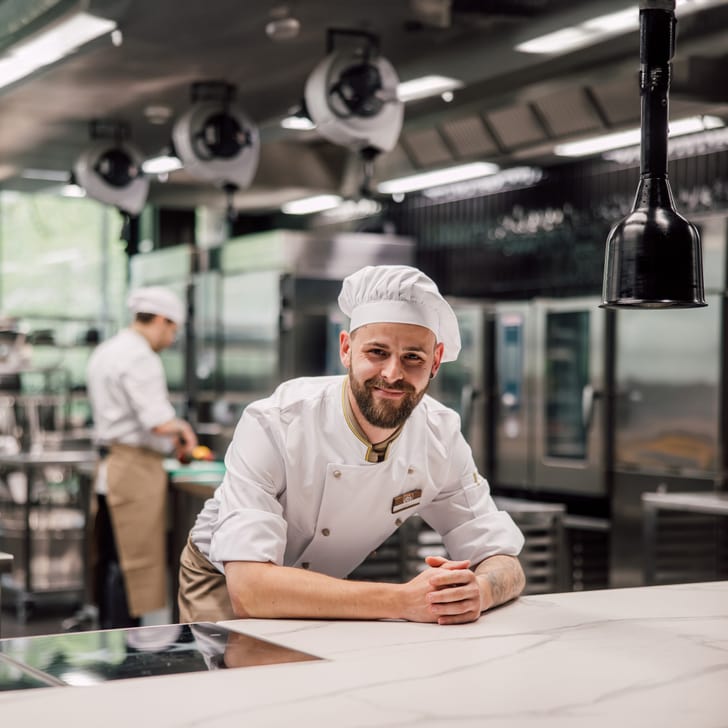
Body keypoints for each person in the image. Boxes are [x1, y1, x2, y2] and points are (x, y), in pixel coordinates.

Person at [178, 265, 525, 626]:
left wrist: (479, 591)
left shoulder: (441, 435)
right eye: (377, 352)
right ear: (346, 349)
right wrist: (402, 601)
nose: (392, 373)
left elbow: (503, 560)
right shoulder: (275, 422)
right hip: (223, 582)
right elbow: (250, 589)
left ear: (435, 361)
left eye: (413, 358)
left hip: (326, 588)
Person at [87, 286, 198, 628]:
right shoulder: (141, 357)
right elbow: (157, 421)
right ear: (162, 321)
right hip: (135, 467)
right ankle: (125, 648)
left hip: (110, 465)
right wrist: (183, 430)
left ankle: (107, 638)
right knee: (135, 566)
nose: (171, 338)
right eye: (173, 330)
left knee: (111, 558)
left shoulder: (107, 351)